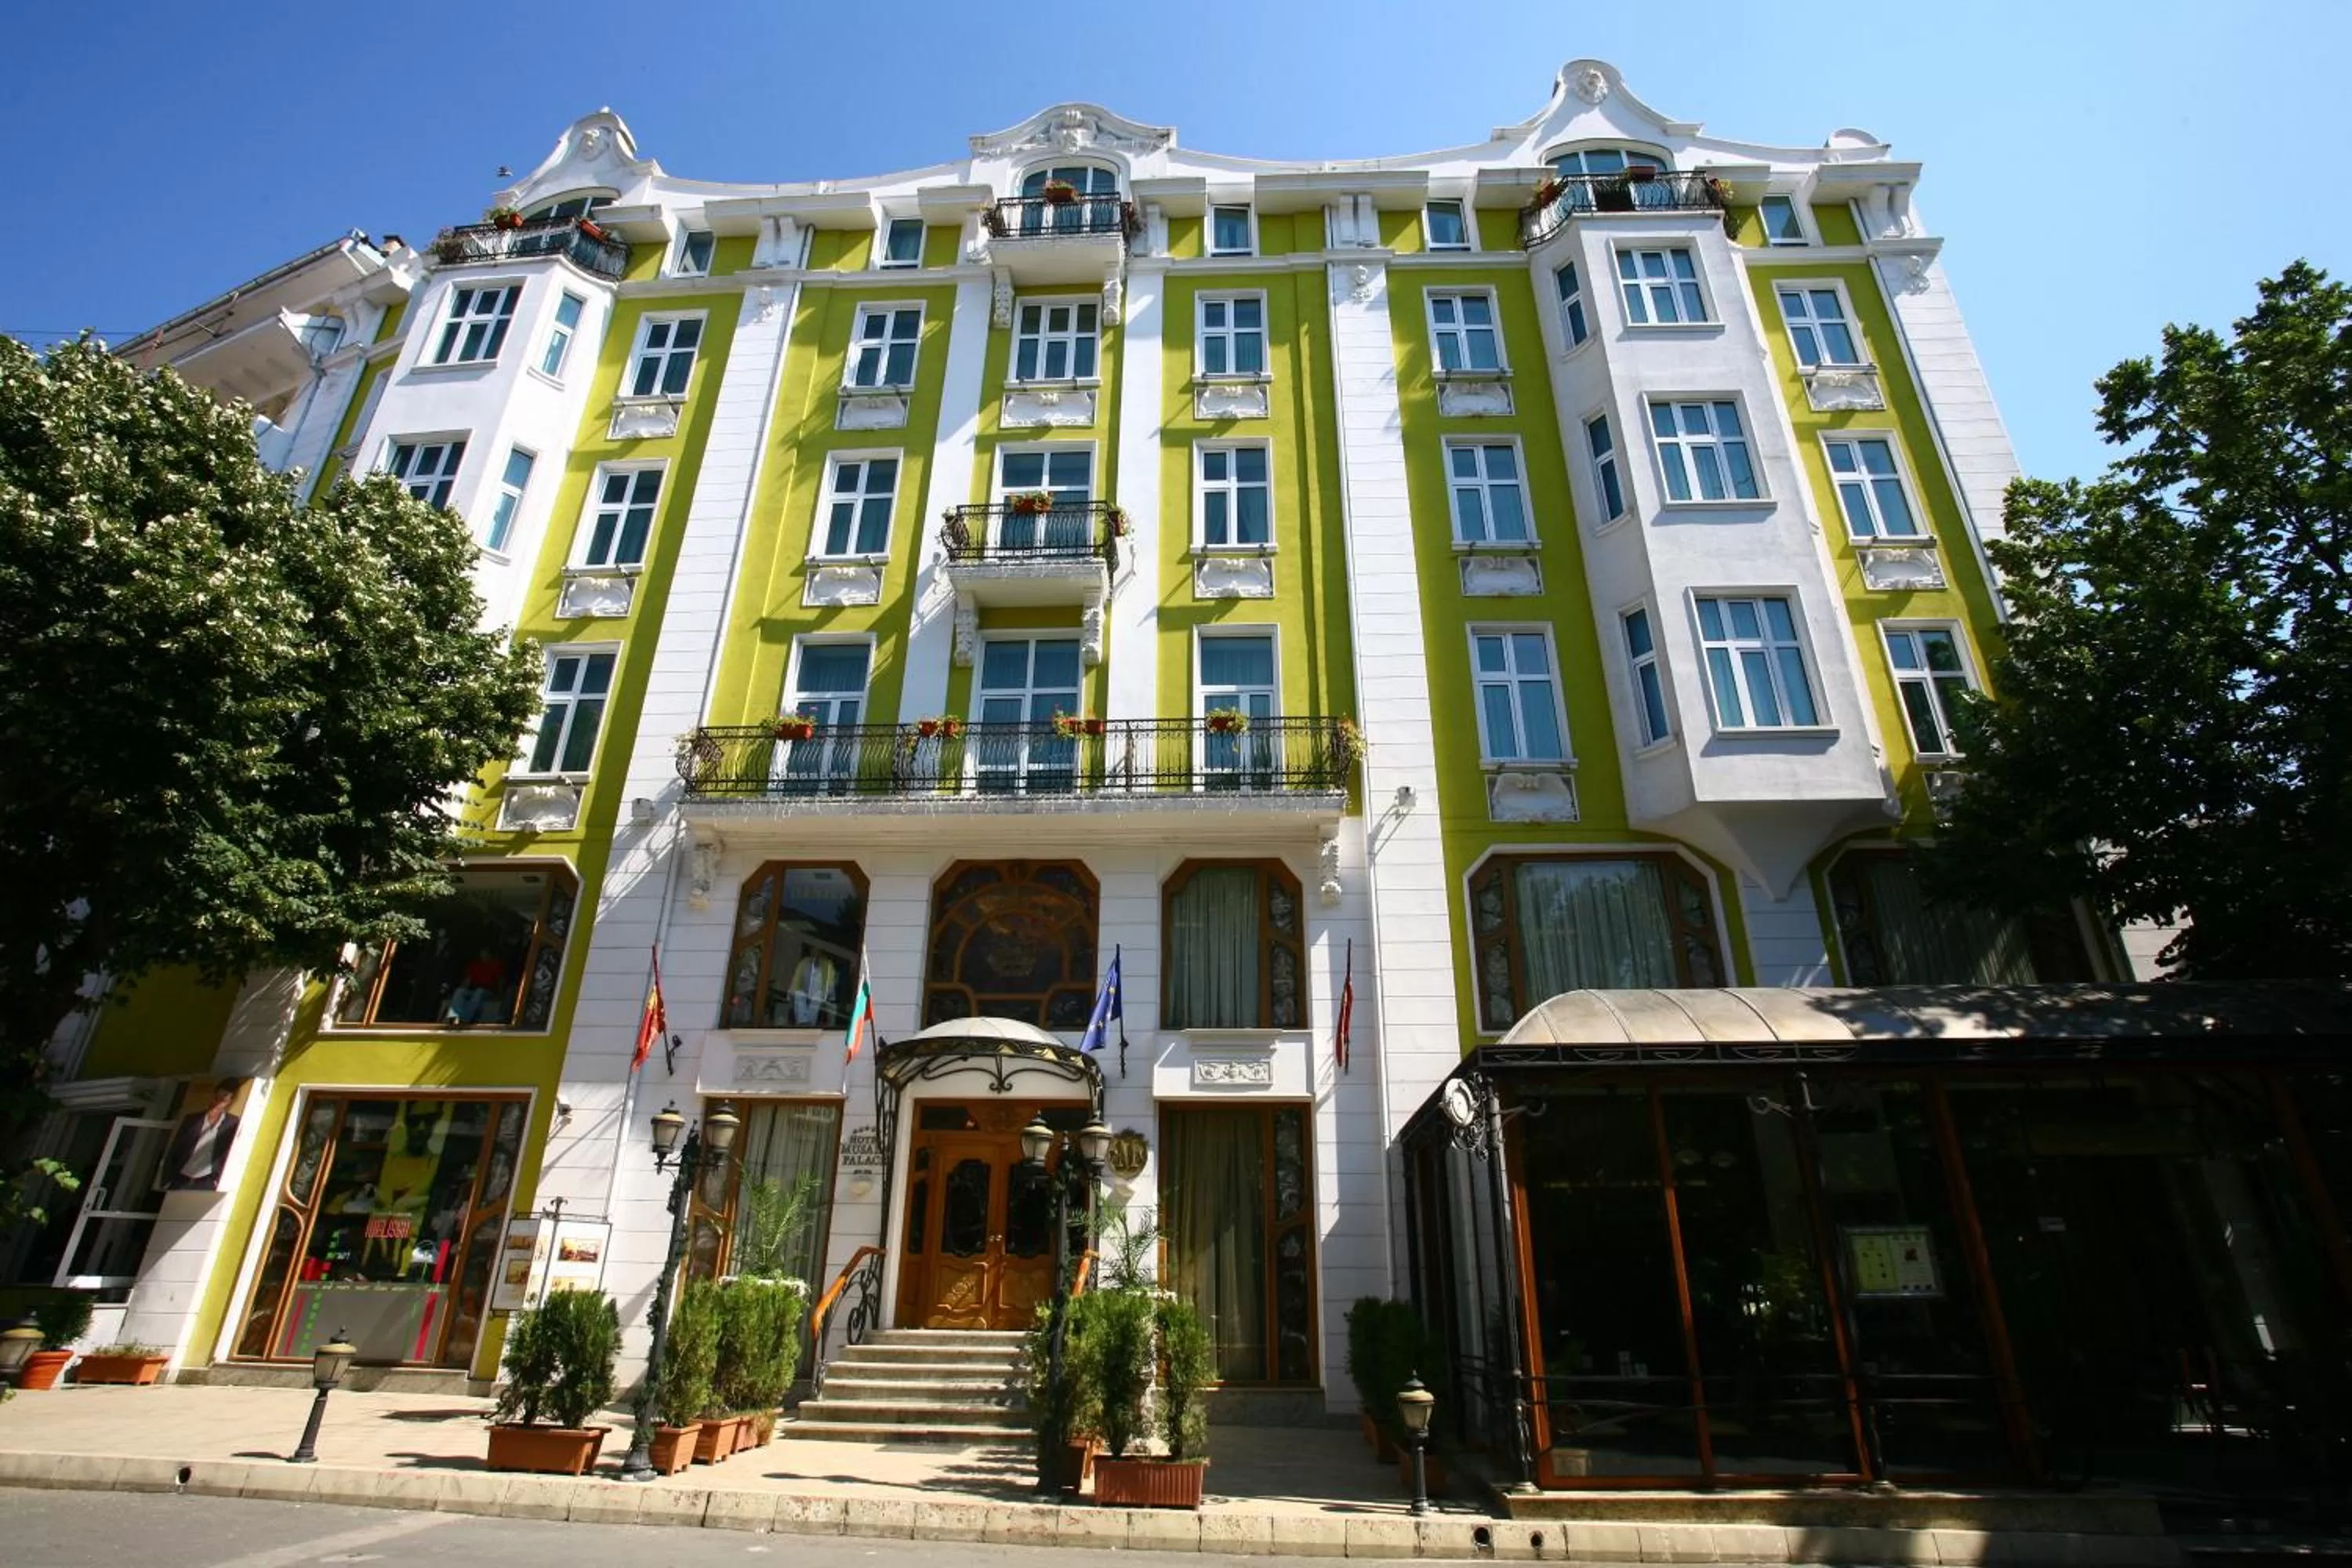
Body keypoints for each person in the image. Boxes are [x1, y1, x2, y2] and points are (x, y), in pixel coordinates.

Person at [164, 1079, 242, 1192]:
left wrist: (219, 1179)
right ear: (214, 1095)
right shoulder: (192, 1119)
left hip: (208, 1180)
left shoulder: (232, 1122)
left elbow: (232, 1151)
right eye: (219, 1097)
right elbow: (176, 1146)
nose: (220, 1102)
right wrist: (168, 1179)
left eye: (225, 1098)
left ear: (230, 1101)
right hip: (181, 1178)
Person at [442, 947, 510, 1028]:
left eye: (486, 953)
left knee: (479, 991)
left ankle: (464, 1020)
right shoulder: (475, 965)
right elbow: (468, 980)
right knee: (460, 991)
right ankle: (454, 1016)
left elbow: (500, 980)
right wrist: (463, 988)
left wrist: (500, 994)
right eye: (482, 953)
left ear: (490, 954)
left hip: (489, 991)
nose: (484, 955)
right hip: (473, 990)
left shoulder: (496, 964)